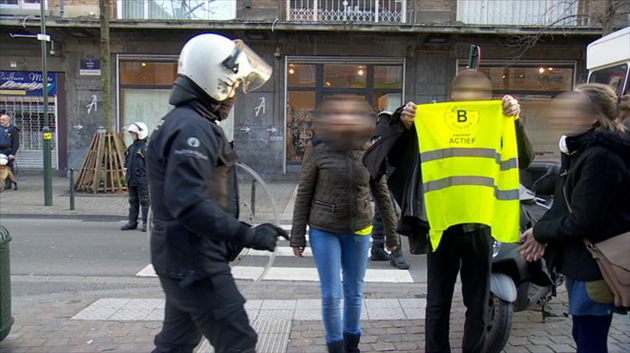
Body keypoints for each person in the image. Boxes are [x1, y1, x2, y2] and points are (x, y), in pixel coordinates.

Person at [372, 69, 532, 353]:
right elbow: (396, 159)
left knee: (476, 303)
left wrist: (515, 121)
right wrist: (406, 124)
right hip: (442, 223)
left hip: (479, 223)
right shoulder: (435, 117)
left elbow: (525, 158)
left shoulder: (498, 118)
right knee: (439, 302)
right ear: (452, 95)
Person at [146, 33, 286, 353]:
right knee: (238, 342)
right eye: (234, 86)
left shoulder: (183, 122)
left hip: (181, 257)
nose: (233, 95)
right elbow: (189, 204)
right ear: (216, 81)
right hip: (195, 261)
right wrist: (248, 235)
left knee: (177, 343)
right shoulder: (192, 128)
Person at [518, 83, 630, 353]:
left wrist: (540, 234)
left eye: (572, 109)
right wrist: (541, 232)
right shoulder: (580, 150)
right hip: (583, 261)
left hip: (596, 264)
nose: (561, 114)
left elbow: (583, 219)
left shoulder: (601, 156)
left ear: (593, 118)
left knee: (589, 339)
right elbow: (563, 206)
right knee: (583, 333)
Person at [291, 96, 400, 353]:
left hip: (359, 229)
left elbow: (382, 192)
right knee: (331, 294)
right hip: (324, 230)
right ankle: (335, 347)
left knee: (354, 291)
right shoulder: (317, 149)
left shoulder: (368, 150)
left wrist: (392, 235)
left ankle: (352, 345)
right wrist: (297, 237)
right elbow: (304, 192)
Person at [121, 122, 150, 232]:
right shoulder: (132, 147)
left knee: (144, 201)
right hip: (131, 178)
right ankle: (132, 222)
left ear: (140, 134)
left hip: (142, 179)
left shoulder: (146, 147)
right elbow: (128, 160)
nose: (132, 136)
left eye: (133, 134)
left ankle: (146, 223)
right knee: (133, 201)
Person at [0, 114, 19, 190]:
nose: (1, 121)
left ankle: (8, 184)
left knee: (8, 168)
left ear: (8, 121)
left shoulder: (13, 130)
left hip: (8, 151)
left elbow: (16, 143)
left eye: (3, 120)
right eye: (0, 120)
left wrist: (12, 154)